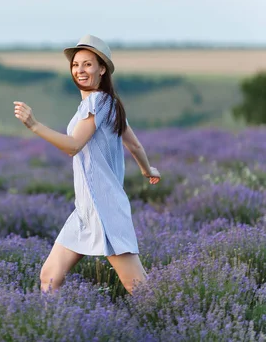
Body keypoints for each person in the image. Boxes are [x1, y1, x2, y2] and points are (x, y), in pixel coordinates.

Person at [13, 34, 161, 295]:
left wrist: (34, 125)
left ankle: (170, 324)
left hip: (104, 207)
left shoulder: (97, 101)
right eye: (75, 65)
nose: (79, 70)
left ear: (102, 69)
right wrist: (148, 170)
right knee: (49, 276)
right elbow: (135, 145)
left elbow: (73, 145)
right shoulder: (108, 103)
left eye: (88, 64)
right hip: (84, 209)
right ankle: (53, 330)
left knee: (139, 288)